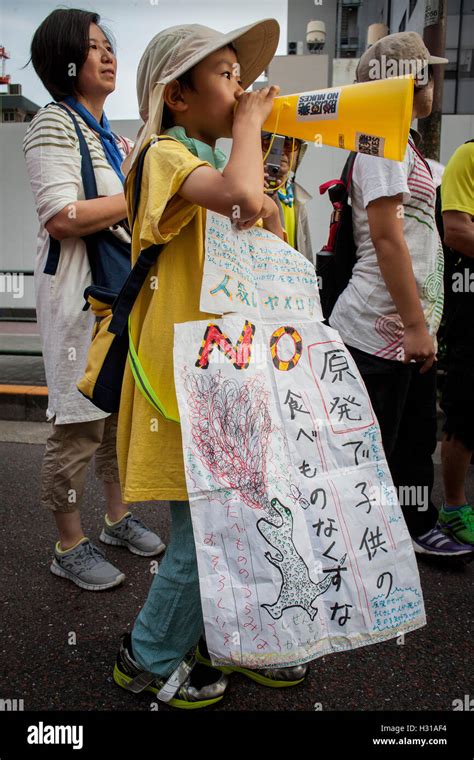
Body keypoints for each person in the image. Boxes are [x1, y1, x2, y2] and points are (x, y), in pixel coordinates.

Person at [111, 20, 312, 709]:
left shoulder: (211, 158)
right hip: (183, 384)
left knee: (243, 516)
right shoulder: (163, 153)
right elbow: (241, 200)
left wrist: (267, 174)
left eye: (240, 75)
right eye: (226, 76)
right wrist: (255, 131)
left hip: (223, 375)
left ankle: (226, 638)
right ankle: (147, 654)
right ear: (178, 96)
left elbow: (264, 226)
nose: (243, 88)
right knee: (203, 534)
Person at [23, 8, 165, 593]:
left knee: (113, 422)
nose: (108, 55)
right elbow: (62, 216)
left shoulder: (113, 137)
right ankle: (68, 543)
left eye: (110, 44)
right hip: (80, 301)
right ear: (67, 60)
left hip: (119, 299)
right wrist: (137, 199)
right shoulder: (52, 124)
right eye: (94, 46)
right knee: (78, 426)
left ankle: (115, 519)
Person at [328, 31, 472, 558]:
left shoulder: (400, 141)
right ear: (407, 79)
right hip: (377, 329)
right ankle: (353, 548)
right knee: (368, 445)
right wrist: (415, 324)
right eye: (428, 72)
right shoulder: (379, 137)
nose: (435, 81)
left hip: (404, 330)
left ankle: (411, 528)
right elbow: (387, 238)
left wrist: (419, 326)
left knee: (410, 440)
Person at [438, 139, 474, 545]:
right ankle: (453, 506)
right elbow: (457, 231)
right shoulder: (469, 155)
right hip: (469, 307)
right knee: (466, 409)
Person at [261, 132, 313, 262]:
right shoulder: (246, 190)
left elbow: (307, 257)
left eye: (290, 144)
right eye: (270, 142)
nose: (281, 150)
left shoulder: (298, 198)